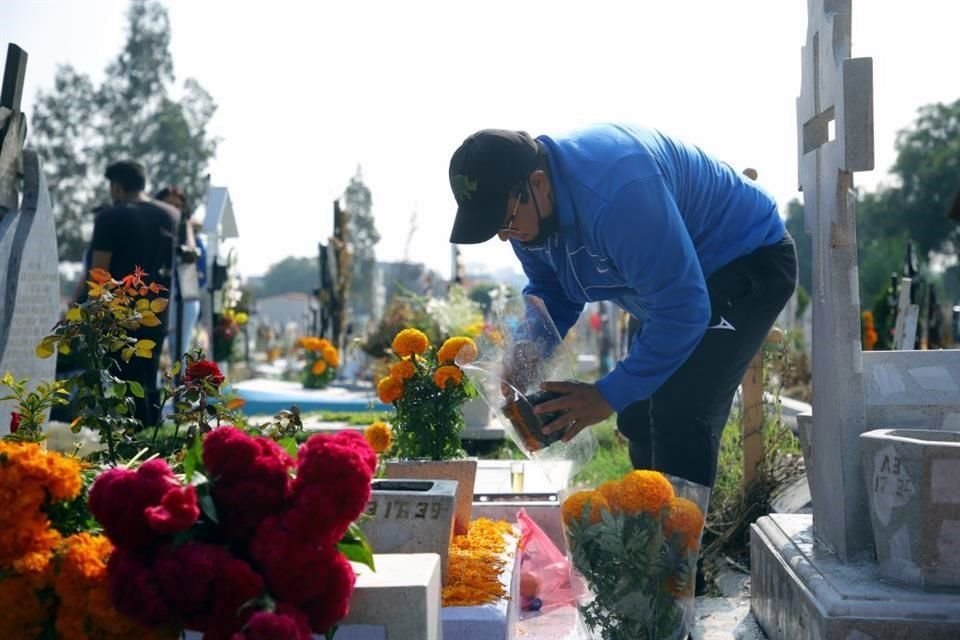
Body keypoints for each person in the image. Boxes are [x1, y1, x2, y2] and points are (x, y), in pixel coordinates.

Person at [447, 124, 797, 491]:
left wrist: (603, 396)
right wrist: (529, 348)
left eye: (505, 220)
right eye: (494, 227)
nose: (505, 236)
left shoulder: (617, 194)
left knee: (680, 408)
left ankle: (681, 527)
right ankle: (650, 518)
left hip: (743, 259)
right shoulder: (528, 216)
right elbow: (553, 289)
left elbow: (683, 309)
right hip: (667, 284)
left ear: (538, 183)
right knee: (636, 414)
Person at [86, 160, 179, 427]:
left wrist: (93, 313)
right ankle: (152, 434)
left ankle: (134, 438)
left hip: (119, 314)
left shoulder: (109, 217)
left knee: (125, 383)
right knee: (150, 378)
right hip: (157, 311)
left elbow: (99, 272)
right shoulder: (170, 215)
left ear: (116, 187)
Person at [155, 186, 201, 363]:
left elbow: (190, 252)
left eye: (178, 206)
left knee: (180, 350)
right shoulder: (153, 227)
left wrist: (186, 223)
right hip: (159, 293)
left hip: (184, 295)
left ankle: (179, 379)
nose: (174, 210)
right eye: (169, 205)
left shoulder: (186, 230)